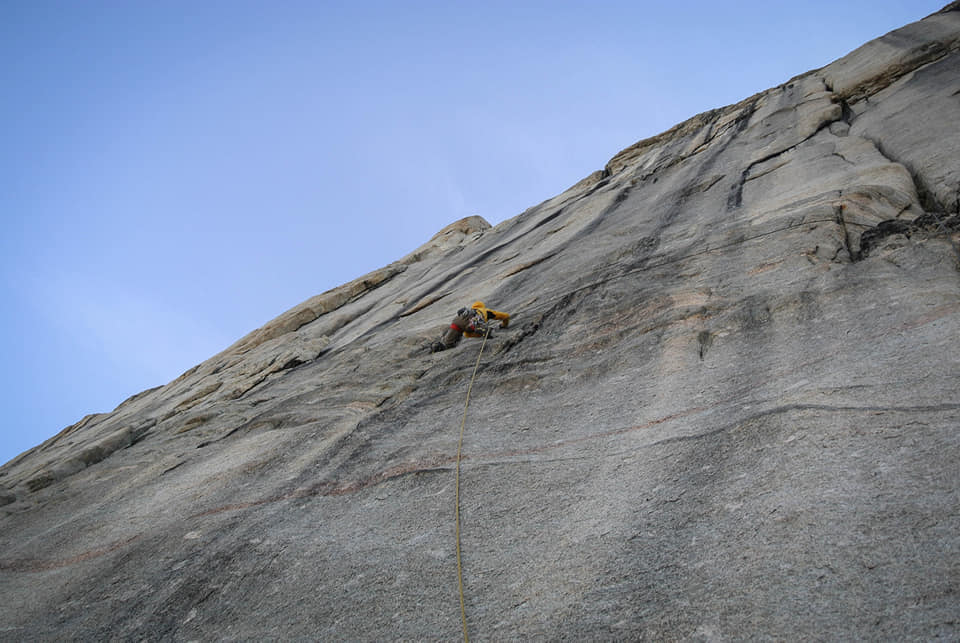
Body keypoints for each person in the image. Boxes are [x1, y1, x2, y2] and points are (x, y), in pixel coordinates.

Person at [431, 301, 510, 352]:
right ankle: (486, 331)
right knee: (477, 327)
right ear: (482, 306)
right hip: (472, 321)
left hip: (457, 321)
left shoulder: (470, 310)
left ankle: (439, 346)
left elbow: (467, 335)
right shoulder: (485, 311)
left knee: (447, 343)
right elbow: (505, 316)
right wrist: (503, 325)